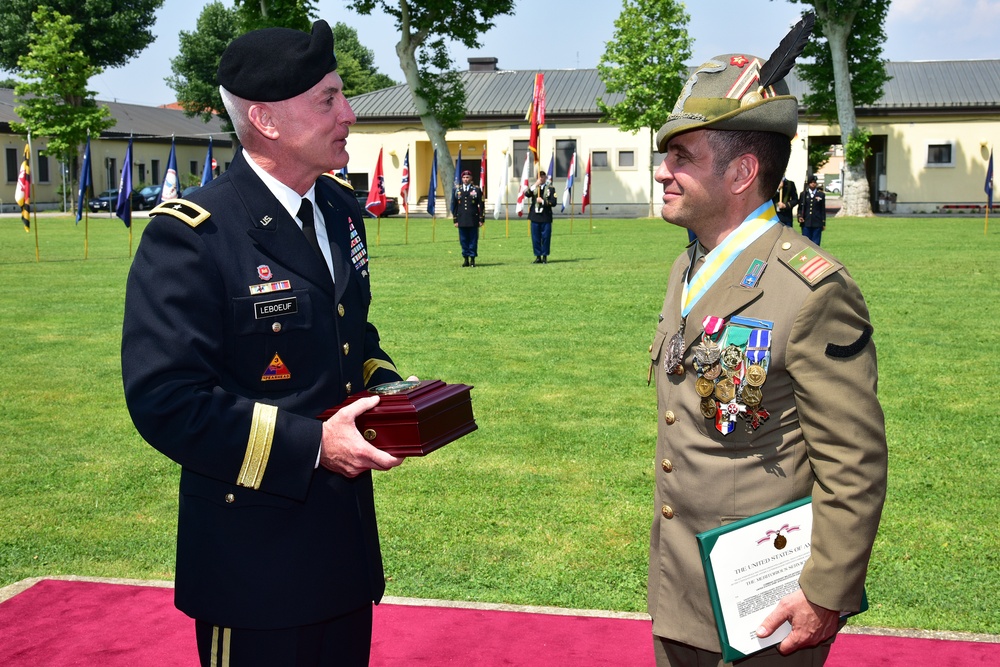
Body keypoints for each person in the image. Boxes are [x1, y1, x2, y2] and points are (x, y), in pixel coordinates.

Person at [121, 20, 407, 667]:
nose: (350, 114)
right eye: (328, 99)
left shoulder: (337, 210)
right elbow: (167, 399)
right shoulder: (194, 235)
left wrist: (390, 393)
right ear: (267, 120)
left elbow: (351, 336)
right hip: (252, 574)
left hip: (343, 559)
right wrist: (315, 444)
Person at [646, 23, 888, 667]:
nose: (663, 172)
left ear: (742, 172)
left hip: (767, 611)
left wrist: (825, 594)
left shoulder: (810, 291)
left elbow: (852, 462)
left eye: (683, 158)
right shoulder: (690, 266)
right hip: (683, 594)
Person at [452, 169, 485, 266]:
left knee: (473, 240)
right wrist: (455, 220)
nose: (466, 179)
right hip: (462, 219)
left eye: (467, 177)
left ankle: (472, 259)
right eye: (464, 177)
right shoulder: (457, 190)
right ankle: (465, 259)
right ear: (462, 179)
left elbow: (481, 205)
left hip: (473, 219)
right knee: (463, 240)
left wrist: (481, 219)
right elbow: (454, 206)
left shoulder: (476, 190)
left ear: (471, 178)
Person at [526, 170, 557, 263]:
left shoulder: (550, 189)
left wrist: (543, 201)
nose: (541, 178)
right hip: (535, 216)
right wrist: (535, 184)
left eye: (543, 177)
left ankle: (544, 256)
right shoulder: (534, 187)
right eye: (540, 176)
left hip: (545, 216)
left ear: (545, 178)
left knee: (546, 237)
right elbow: (526, 194)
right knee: (535, 237)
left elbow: (554, 202)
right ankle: (538, 256)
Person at [798, 174, 826, 244]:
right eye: (811, 182)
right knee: (806, 243)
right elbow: (800, 208)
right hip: (806, 222)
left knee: (816, 243)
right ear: (808, 184)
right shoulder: (803, 194)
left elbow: (822, 209)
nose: (813, 184)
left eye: (814, 182)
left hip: (817, 222)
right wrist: (800, 216)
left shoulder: (821, 194)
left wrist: (823, 223)